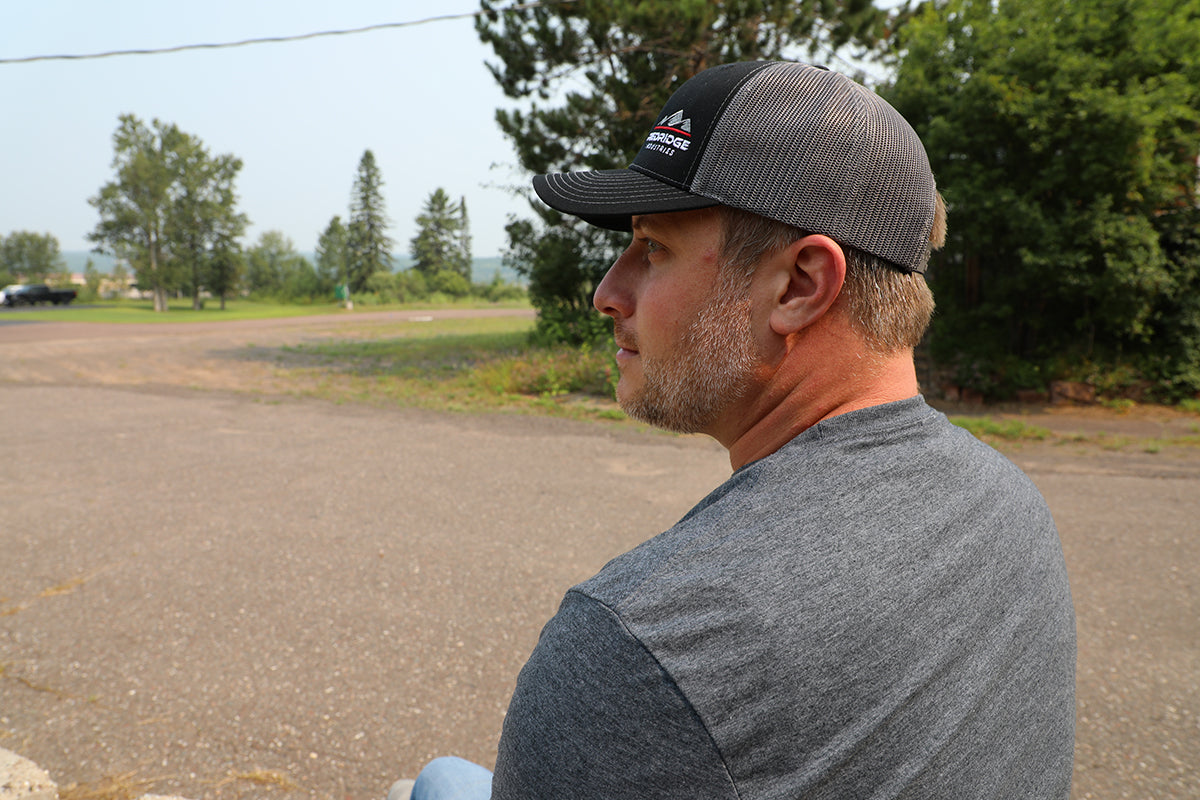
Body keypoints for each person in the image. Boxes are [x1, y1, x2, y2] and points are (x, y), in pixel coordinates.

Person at [397, 60, 1076, 800]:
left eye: (652, 248)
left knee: (434, 782)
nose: (606, 293)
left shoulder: (644, 647)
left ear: (798, 286)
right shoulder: (1013, 503)